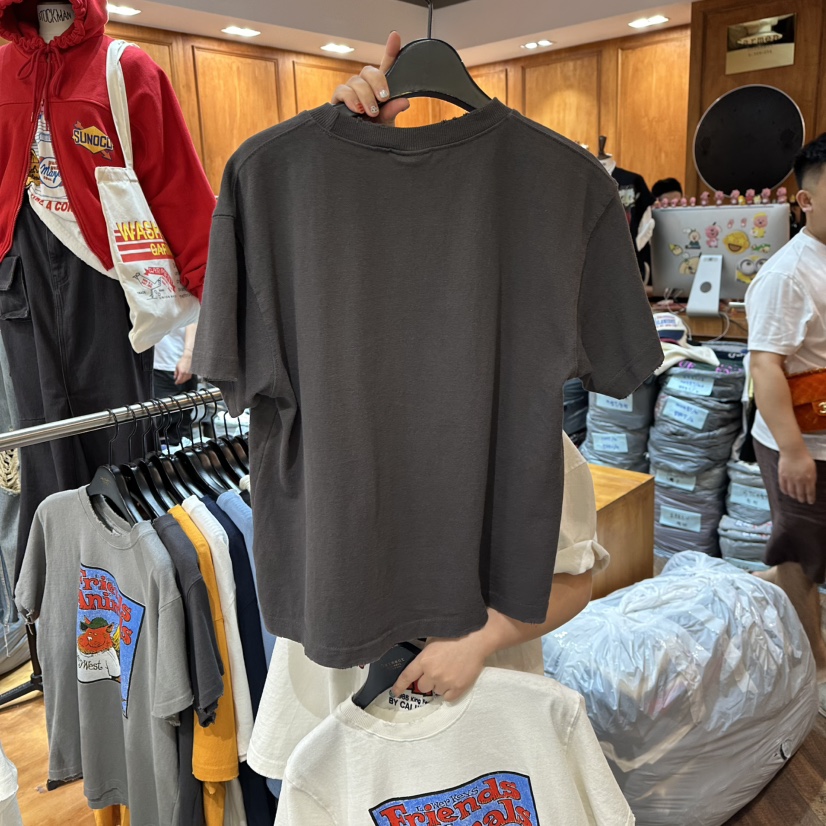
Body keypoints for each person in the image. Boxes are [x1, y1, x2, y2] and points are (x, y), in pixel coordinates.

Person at [327, 34, 595, 702]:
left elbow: (575, 578)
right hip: (332, 690)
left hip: (477, 701)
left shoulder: (526, 436)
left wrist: (478, 640)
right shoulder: (333, 418)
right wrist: (349, 155)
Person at [745, 132, 826, 717]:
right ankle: (814, 670)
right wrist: (794, 452)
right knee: (801, 554)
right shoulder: (788, 274)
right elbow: (765, 365)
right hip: (802, 442)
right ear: (807, 200)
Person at [153, 322, 198, 444]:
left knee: (175, 436)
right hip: (149, 365)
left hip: (172, 364)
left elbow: (195, 316)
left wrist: (188, 355)